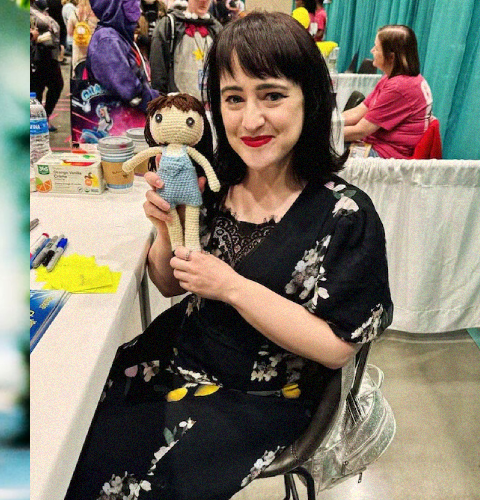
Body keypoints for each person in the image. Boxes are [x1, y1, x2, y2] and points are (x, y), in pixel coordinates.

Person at [65, 11, 392, 499]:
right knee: (68, 425)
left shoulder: (344, 214)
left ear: (310, 99)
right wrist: (163, 228)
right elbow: (170, 283)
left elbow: (337, 346)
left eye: (273, 95)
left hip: (263, 395)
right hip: (177, 356)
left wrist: (232, 286)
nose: (250, 120)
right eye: (233, 98)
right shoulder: (215, 187)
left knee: (123, 477)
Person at [343, 25, 433, 159]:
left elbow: (360, 131)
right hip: (376, 144)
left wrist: (319, 134)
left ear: (391, 57)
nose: (372, 50)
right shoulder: (391, 79)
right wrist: (327, 122)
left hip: (386, 155)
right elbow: (358, 111)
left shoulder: (400, 87)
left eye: (377, 48)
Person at [86, 0, 160, 111]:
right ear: (114, 8)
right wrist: (160, 101)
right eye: (131, 5)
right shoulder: (107, 40)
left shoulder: (117, 36)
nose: (138, 11)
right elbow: (130, 92)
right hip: (121, 122)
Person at [149, 0, 221, 98]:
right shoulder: (169, 25)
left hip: (209, 103)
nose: (204, 2)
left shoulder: (216, 28)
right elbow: (158, 68)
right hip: (178, 104)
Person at [31, 0, 65, 131]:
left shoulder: (38, 4)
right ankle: (37, 123)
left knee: (56, 85)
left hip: (48, 55)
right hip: (35, 56)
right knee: (36, 91)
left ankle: (43, 118)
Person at [67, 0, 98, 74]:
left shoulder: (74, 13)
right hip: (92, 50)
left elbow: (69, 32)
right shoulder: (95, 13)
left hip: (78, 52)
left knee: (79, 75)